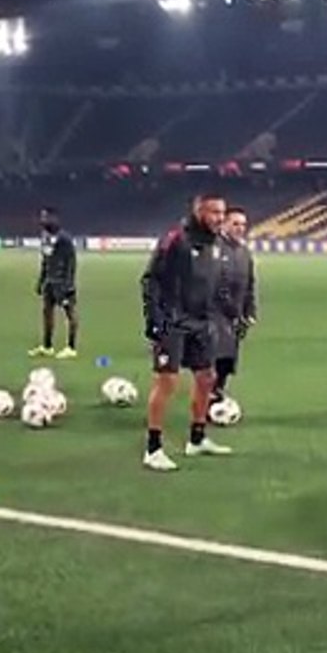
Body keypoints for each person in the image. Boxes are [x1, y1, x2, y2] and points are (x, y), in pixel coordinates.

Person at [141, 194, 233, 472]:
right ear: (198, 210)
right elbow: (150, 279)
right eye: (214, 211)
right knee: (167, 382)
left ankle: (197, 438)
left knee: (207, 378)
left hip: (201, 322)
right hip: (173, 321)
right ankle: (153, 448)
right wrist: (155, 320)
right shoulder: (175, 239)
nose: (219, 218)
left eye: (222, 212)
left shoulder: (216, 242)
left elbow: (211, 281)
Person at [211, 207, 258, 405]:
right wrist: (229, 307)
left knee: (228, 359)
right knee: (215, 357)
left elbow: (249, 283)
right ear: (224, 224)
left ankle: (217, 391)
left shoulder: (244, 251)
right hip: (215, 314)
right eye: (235, 224)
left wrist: (250, 311)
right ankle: (208, 398)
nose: (240, 228)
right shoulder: (214, 248)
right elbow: (213, 283)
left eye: (243, 225)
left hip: (235, 316)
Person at [28, 207, 79, 360]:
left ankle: (71, 347)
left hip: (62, 283)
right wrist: (41, 280)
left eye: (45, 217)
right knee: (47, 313)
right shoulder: (45, 237)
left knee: (70, 313)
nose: (42, 220)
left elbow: (71, 262)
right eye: (41, 217)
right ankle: (47, 346)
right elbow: (45, 260)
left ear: (54, 218)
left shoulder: (64, 239)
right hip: (49, 282)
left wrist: (68, 284)